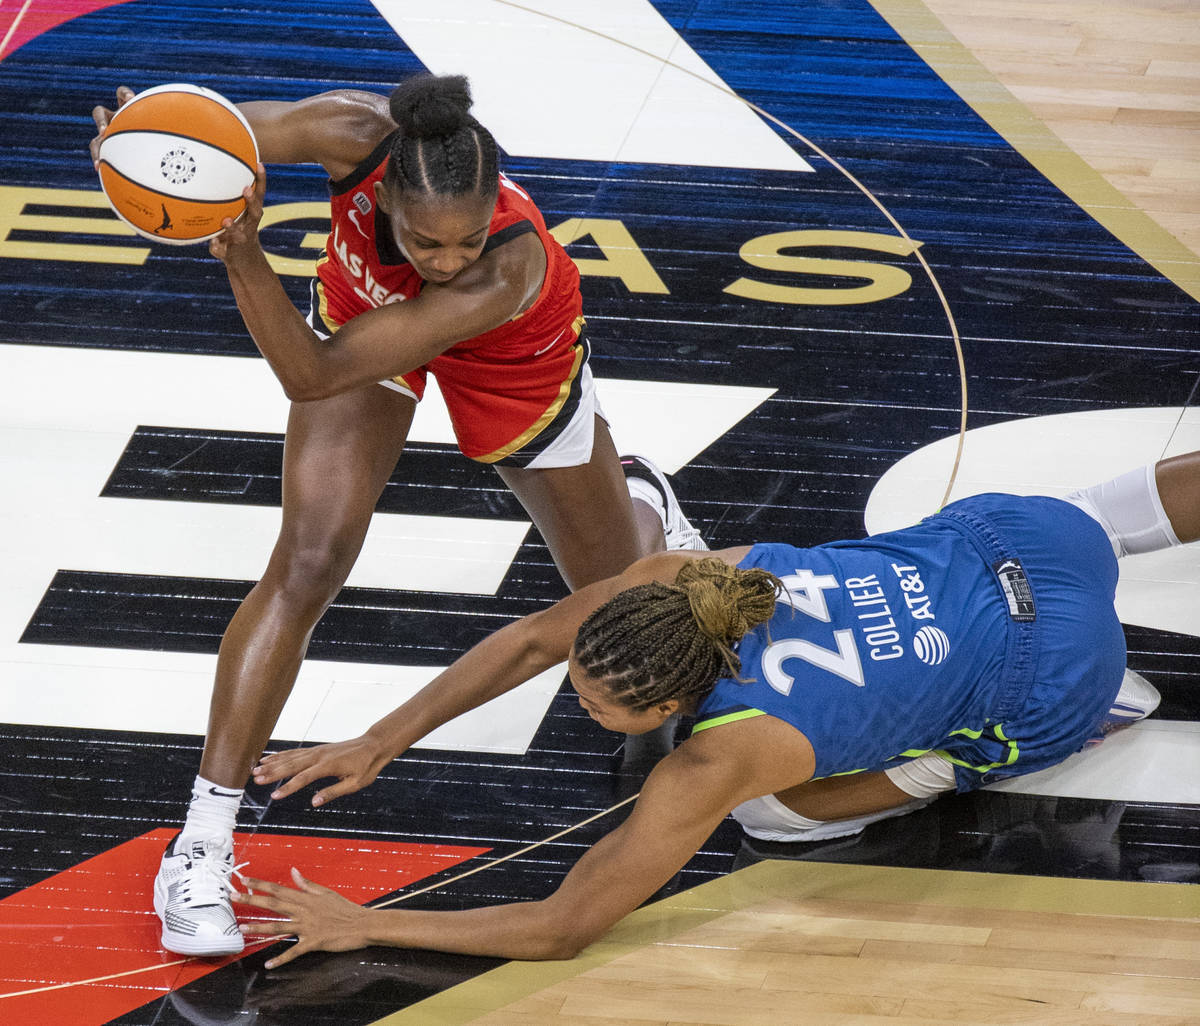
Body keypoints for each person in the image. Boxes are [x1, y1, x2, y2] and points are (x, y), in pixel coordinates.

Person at [89, 74, 705, 957]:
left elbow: (305, 375)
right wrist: (147, 144)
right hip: (361, 329)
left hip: (512, 356)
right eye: (424, 239)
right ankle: (200, 841)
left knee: (614, 599)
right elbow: (222, 137)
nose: (445, 258)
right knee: (308, 561)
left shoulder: (501, 270)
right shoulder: (354, 130)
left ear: (495, 208)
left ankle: (642, 500)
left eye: (465, 238)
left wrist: (243, 254)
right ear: (388, 198)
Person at [235, 452, 1198, 965]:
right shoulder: (682, 579)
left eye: (603, 706)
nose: (581, 706)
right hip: (1018, 540)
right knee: (1096, 512)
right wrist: (380, 737)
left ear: (669, 702)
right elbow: (535, 637)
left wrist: (368, 925)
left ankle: (1059, 726)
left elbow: (564, 925)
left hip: (1060, 676)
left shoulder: (719, 760)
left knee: (780, 817)